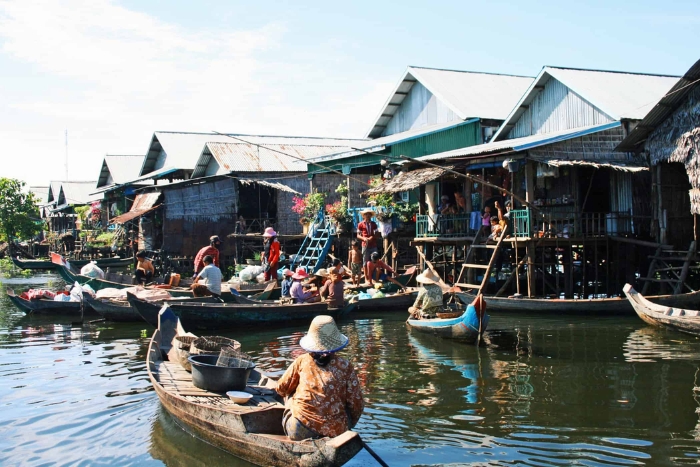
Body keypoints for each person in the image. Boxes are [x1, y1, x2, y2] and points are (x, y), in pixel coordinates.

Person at [275, 315, 364, 441]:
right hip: (336, 430)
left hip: (300, 429)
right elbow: (357, 403)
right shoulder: (345, 366)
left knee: (289, 394)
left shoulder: (302, 361)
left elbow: (281, 389)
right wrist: (348, 425)